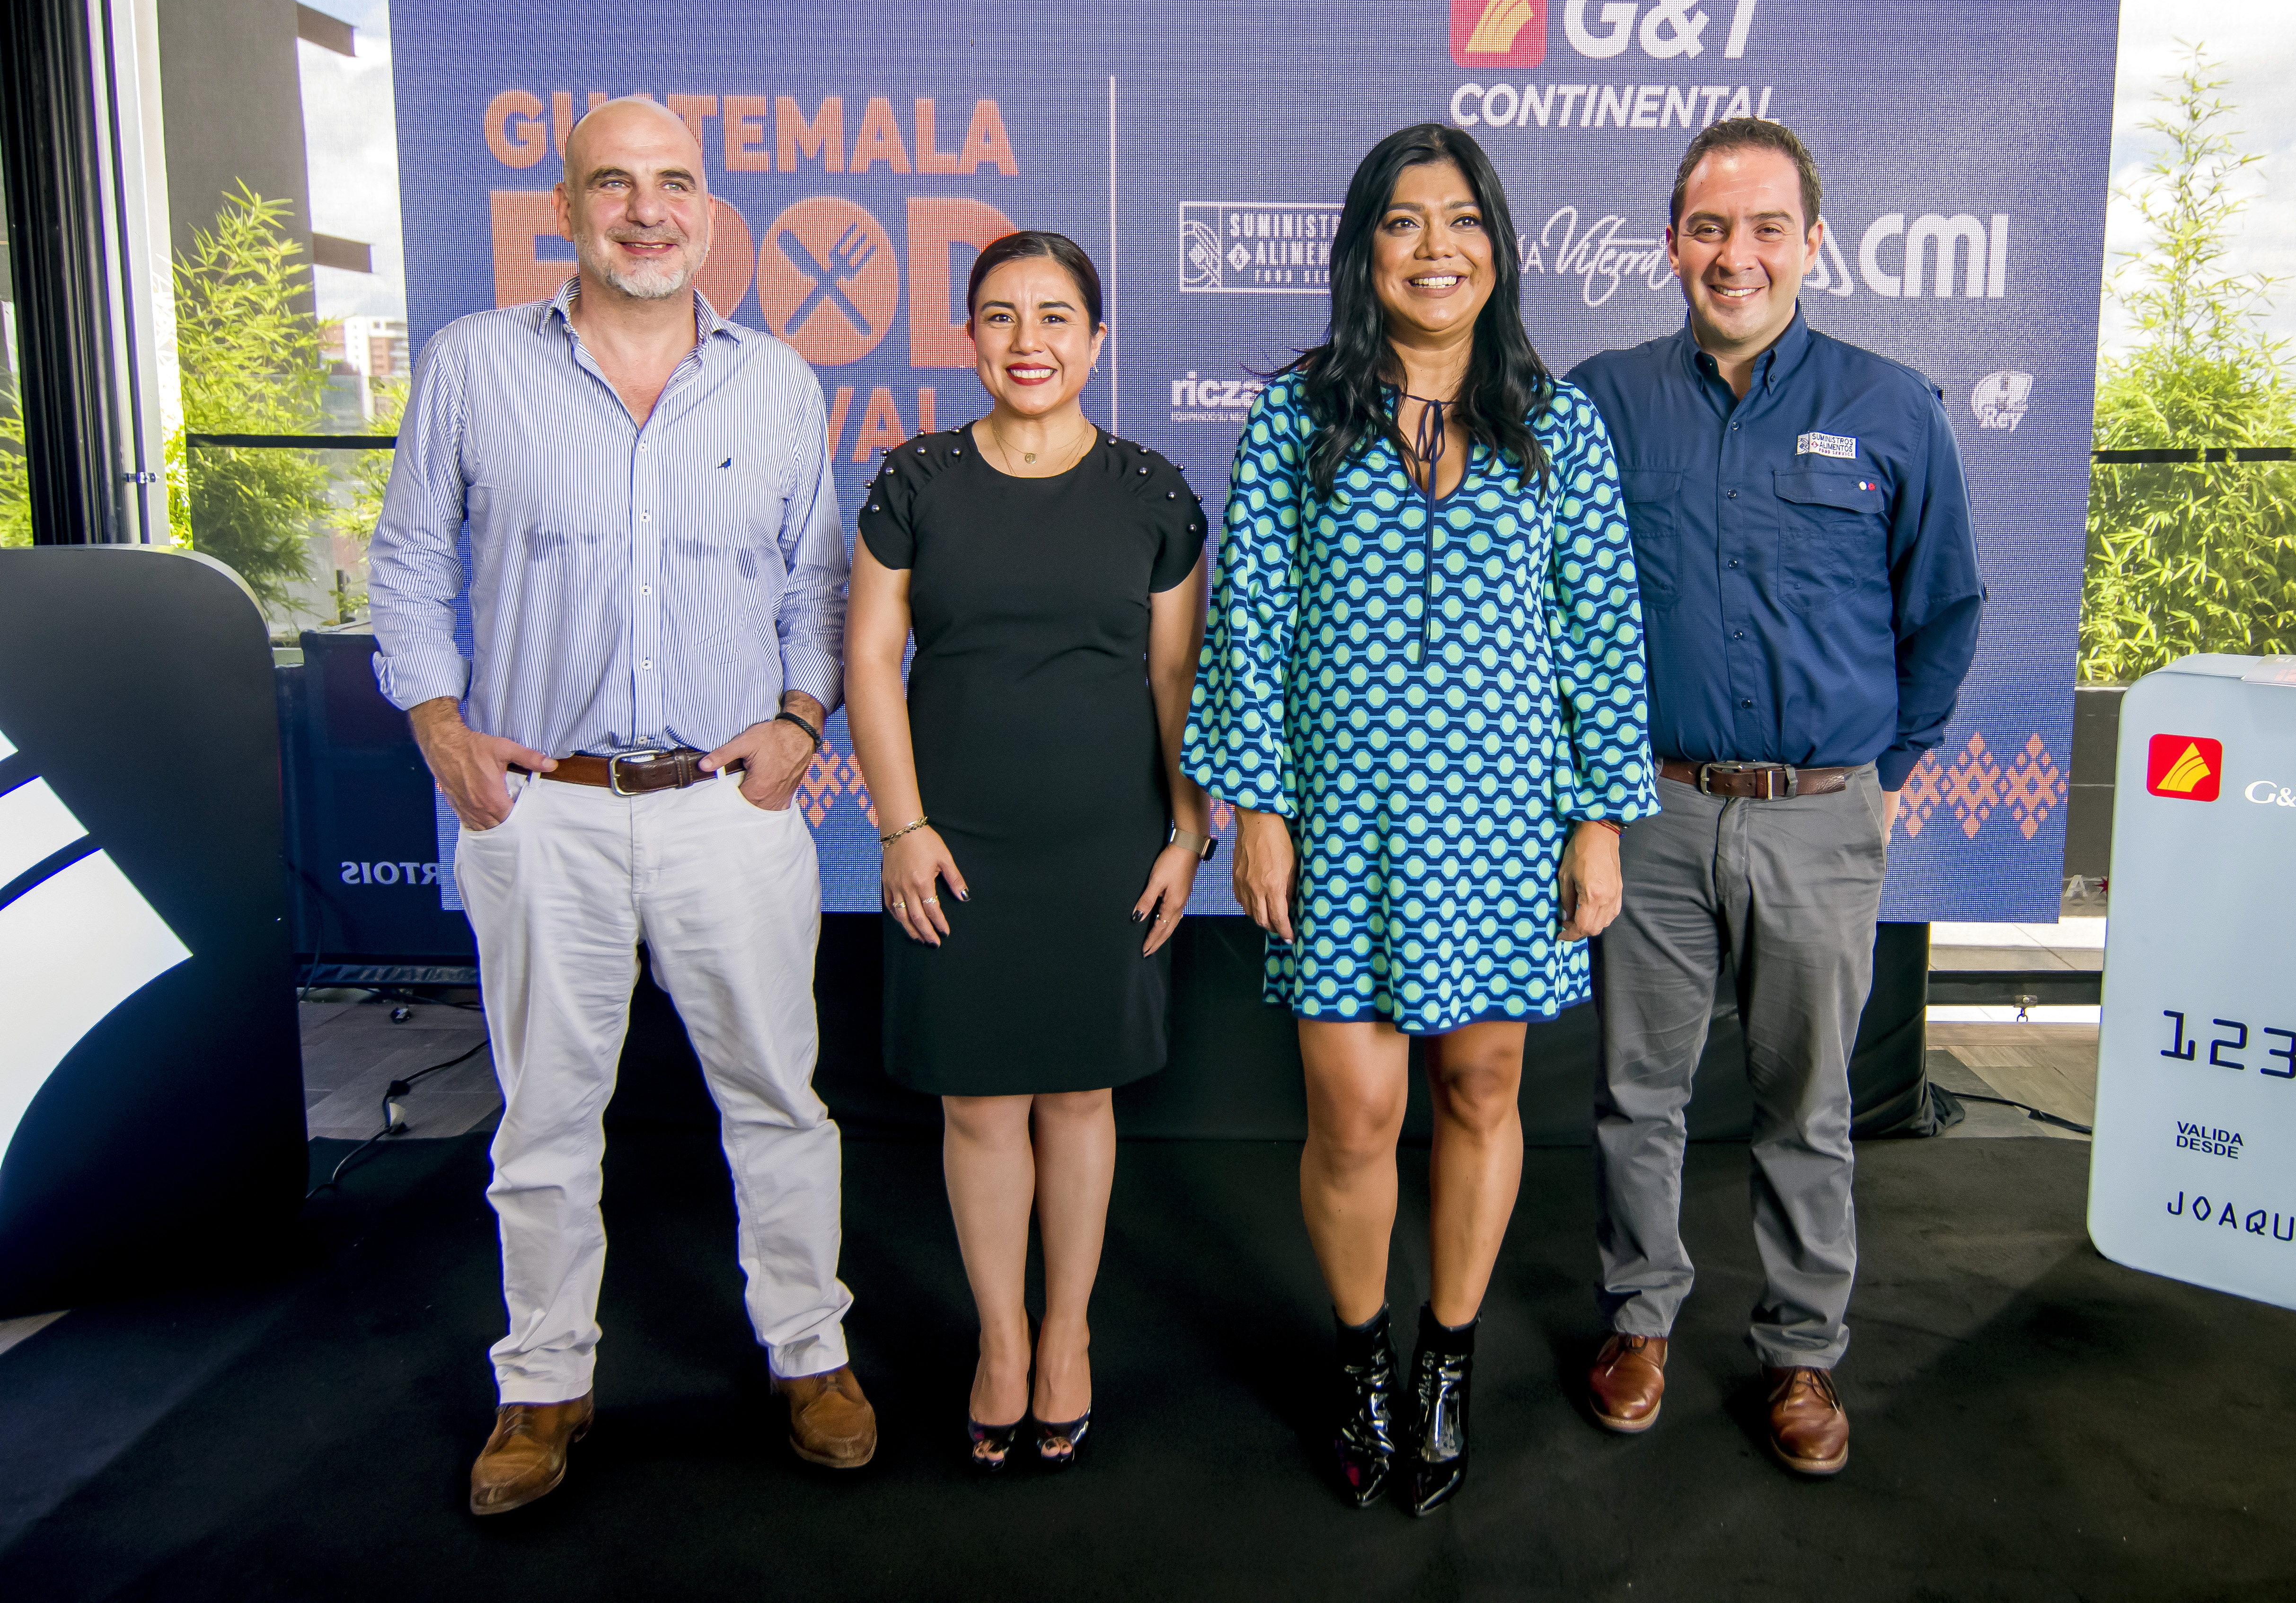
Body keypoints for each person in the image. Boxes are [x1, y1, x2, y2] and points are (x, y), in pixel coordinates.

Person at [369, 97, 870, 1515]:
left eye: (674, 185)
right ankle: (542, 1384)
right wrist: (441, 728)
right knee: (543, 1114)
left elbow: (813, 583)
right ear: (567, 206)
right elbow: (408, 562)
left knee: (778, 1096)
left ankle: (810, 1354)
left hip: (727, 802)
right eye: (613, 185)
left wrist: (799, 719)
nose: (646, 211)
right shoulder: (474, 367)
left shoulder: (777, 380)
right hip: (544, 810)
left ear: (709, 206)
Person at [1185, 123, 1658, 1516]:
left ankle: (1445, 1356)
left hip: (1507, 819)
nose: (1435, 247)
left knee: (1483, 1090)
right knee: (1355, 1110)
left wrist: (1600, 821)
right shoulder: (1295, 415)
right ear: (1364, 249)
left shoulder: (1556, 422)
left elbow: (1600, 633)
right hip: (1340, 821)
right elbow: (1249, 627)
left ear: (1498, 251)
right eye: (1404, 222)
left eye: (1461, 222)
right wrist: (1256, 806)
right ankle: (1358, 1363)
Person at [1562, 118, 1984, 1477]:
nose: (1733, 255)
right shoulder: (1605, 403)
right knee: (1640, 1090)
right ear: (1670, 242)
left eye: (1763, 228)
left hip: (1821, 813)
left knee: (1806, 1100)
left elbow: (1946, 611)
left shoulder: (1891, 407)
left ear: (1813, 241)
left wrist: (1876, 781)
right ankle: (1642, 1319)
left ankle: (1801, 1355)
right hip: (1654, 811)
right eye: (1707, 228)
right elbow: (1556, 607)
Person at [844, 230, 1210, 1475]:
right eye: (1001, 317)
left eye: (1056, 317)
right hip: (958, 846)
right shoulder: (917, 483)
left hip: (1106, 842)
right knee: (981, 1102)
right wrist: (900, 826)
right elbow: (870, 669)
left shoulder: (1155, 495)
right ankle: (1001, 1341)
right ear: (970, 337)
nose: (1029, 342)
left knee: (1078, 1094)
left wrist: (1189, 829)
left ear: (1098, 341)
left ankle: (1069, 1336)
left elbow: (1176, 676)